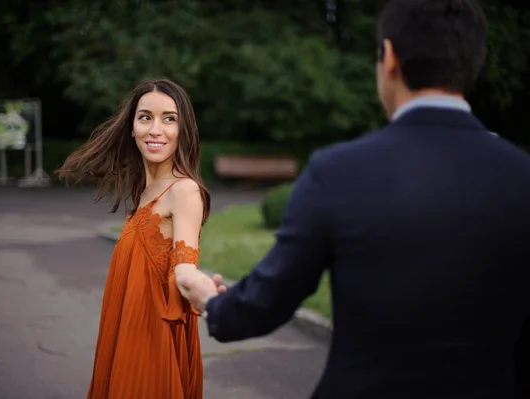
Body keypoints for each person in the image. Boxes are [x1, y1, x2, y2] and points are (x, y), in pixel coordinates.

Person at [177, 1, 530, 398]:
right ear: (473, 64)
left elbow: (265, 303)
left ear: (390, 57)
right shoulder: (521, 176)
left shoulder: (338, 171)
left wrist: (211, 301)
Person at [56, 78, 219, 398]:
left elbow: (185, 266)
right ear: (132, 127)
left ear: (182, 130)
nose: (156, 129)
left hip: (153, 340)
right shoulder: (145, 192)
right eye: (146, 117)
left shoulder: (184, 190)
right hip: (126, 332)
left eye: (169, 119)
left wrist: (205, 294)